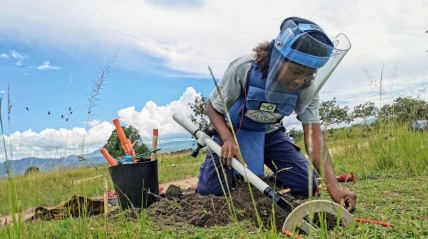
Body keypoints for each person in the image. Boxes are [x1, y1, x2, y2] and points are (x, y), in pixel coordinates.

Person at [196, 17, 356, 212]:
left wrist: (334, 186)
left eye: (308, 73)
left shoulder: (307, 87)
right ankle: (228, 174)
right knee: (212, 192)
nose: (300, 80)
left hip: (270, 132)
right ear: (277, 58)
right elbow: (212, 107)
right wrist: (227, 138)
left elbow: (314, 136)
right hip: (232, 131)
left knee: (306, 187)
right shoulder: (244, 69)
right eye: (296, 70)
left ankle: (268, 177)